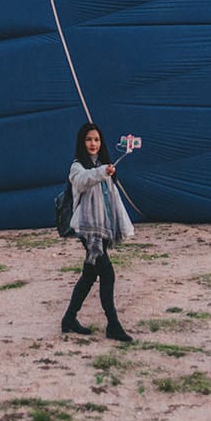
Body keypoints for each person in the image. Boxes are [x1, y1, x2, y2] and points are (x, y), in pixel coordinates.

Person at [61, 121, 134, 342]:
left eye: (96, 139)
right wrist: (103, 171)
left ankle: (69, 319)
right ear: (82, 143)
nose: (93, 143)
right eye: (88, 139)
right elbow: (84, 181)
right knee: (108, 273)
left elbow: (111, 200)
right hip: (87, 229)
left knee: (90, 274)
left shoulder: (105, 166)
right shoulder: (78, 167)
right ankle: (113, 324)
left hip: (101, 229)